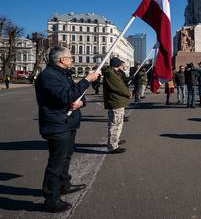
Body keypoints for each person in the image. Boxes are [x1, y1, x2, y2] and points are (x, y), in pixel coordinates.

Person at [35, 46, 100, 213]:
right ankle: (51, 199)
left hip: (67, 122)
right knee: (56, 163)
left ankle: (64, 184)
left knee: (66, 157)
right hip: (57, 124)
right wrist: (87, 79)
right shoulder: (48, 76)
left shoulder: (64, 74)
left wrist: (81, 103)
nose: (72, 60)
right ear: (62, 60)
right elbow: (65, 96)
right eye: (70, 57)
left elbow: (77, 96)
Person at [103, 57, 131, 154]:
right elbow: (119, 87)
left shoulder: (113, 72)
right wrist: (128, 93)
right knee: (115, 124)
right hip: (115, 101)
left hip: (117, 101)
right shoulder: (111, 74)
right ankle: (112, 146)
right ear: (118, 64)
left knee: (118, 123)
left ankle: (116, 140)